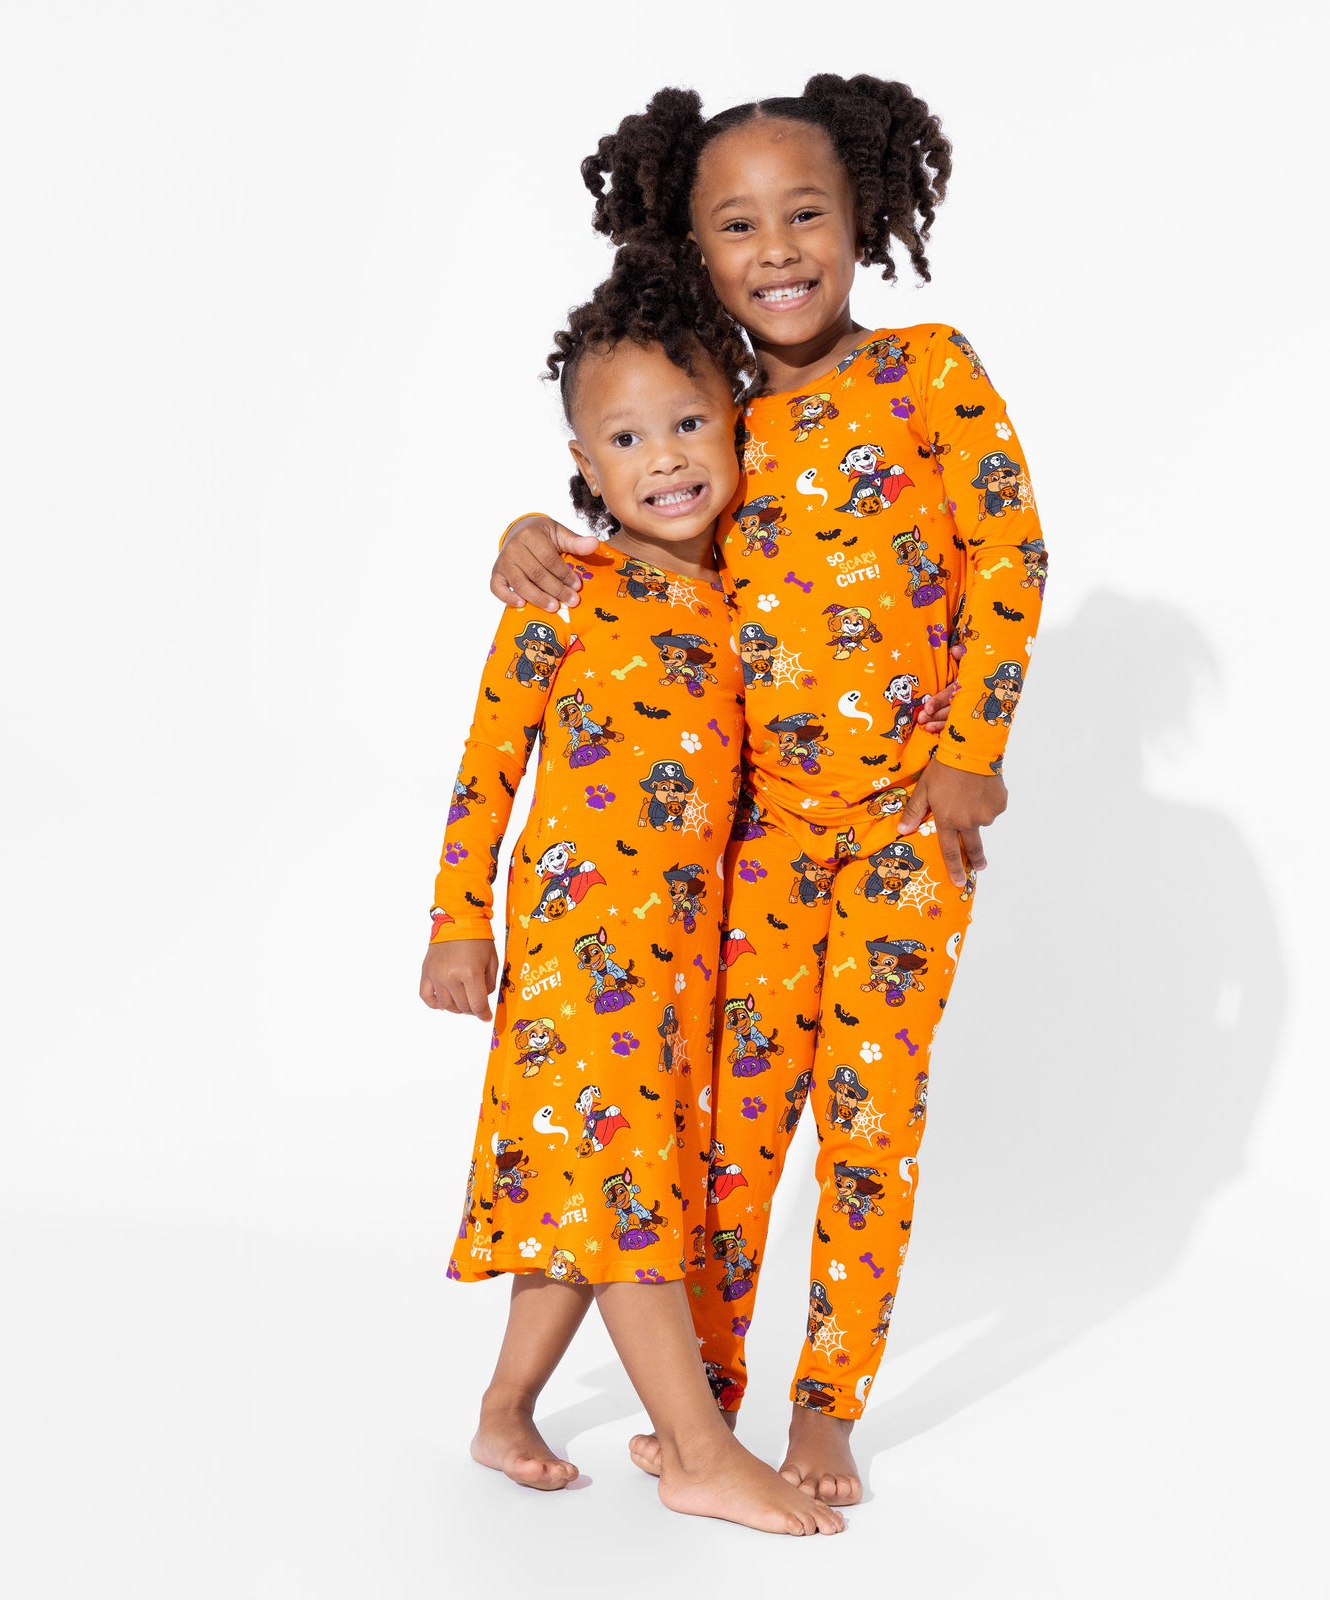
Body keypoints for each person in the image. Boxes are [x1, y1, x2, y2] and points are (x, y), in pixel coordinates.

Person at [488, 76, 1051, 1509]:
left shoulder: (929, 370)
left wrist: (974, 745)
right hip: (755, 844)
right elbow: (637, 521)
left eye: (806, 213)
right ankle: (708, 1410)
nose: (779, 247)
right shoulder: (712, 409)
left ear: (865, 219)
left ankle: (826, 1405)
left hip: (910, 833)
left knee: (869, 1122)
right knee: (729, 1134)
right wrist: (531, 528)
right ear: (693, 248)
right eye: (737, 225)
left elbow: (1009, 554)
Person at [420, 242, 845, 1536]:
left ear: (734, 426)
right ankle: (701, 1452)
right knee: (619, 1188)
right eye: (625, 439)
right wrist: (457, 923)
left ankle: (504, 1410)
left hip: (688, 957)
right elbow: (487, 766)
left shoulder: (747, 607)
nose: (663, 458)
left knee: (587, 1177)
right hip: (577, 944)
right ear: (585, 467)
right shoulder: (562, 589)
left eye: (687, 425)